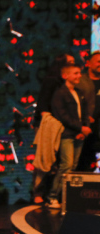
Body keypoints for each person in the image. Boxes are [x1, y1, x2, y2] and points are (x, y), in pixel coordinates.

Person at [32, 53, 75, 204]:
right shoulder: (51, 81)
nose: (73, 65)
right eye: (70, 62)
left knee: (60, 162)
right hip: (49, 124)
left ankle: (54, 193)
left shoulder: (69, 84)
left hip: (62, 125)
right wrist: (48, 121)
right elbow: (43, 104)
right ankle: (38, 192)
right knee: (45, 158)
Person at [47, 65, 92, 209]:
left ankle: (65, 198)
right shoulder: (60, 94)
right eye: (75, 73)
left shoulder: (78, 92)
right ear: (65, 76)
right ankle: (52, 197)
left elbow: (85, 113)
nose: (79, 76)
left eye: (79, 73)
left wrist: (84, 128)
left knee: (72, 167)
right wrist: (80, 128)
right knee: (66, 165)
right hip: (66, 134)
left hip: (79, 134)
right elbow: (62, 116)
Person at [77, 51, 100, 171]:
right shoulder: (80, 81)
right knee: (81, 162)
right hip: (83, 127)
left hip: (98, 129)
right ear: (89, 63)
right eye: (98, 62)